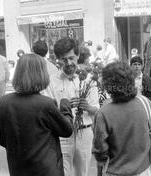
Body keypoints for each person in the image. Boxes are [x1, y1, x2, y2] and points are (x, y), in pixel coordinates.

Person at [0, 53, 73, 176]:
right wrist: (65, 106)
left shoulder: (3, 102)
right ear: (41, 74)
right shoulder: (45, 104)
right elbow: (67, 130)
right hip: (45, 169)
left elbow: (1, 139)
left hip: (18, 169)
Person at [44, 37, 99, 176]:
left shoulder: (88, 79)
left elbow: (97, 110)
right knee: (63, 171)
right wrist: (62, 110)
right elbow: (48, 111)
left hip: (84, 133)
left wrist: (86, 106)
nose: (68, 63)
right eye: (63, 59)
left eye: (71, 58)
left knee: (82, 173)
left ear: (78, 56)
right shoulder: (51, 81)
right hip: (62, 135)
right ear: (58, 59)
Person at [93, 62, 151, 176]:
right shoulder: (146, 103)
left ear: (108, 85)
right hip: (144, 170)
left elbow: (100, 151)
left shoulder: (103, 113)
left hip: (116, 171)